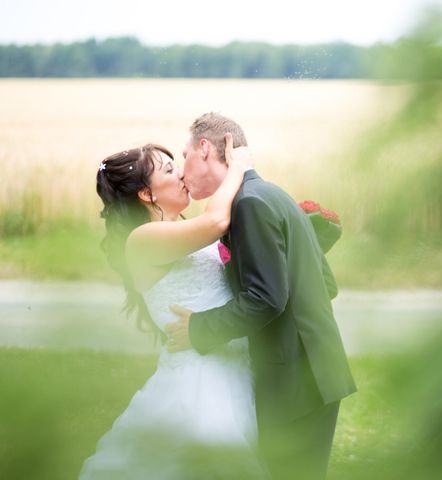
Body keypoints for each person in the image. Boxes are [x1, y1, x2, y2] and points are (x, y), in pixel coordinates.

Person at [166, 112, 357, 480]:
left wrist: (199, 328)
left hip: (295, 381)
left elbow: (266, 298)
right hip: (316, 372)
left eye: (185, 154)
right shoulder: (269, 193)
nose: (182, 168)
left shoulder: (248, 205)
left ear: (205, 149)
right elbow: (326, 284)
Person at [79, 136, 266, 479]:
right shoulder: (142, 239)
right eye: (169, 170)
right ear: (146, 194)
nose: (182, 175)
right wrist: (237, 167)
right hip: (199, 379)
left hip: (229, 365)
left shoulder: (178, 228)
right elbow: (215, 223)